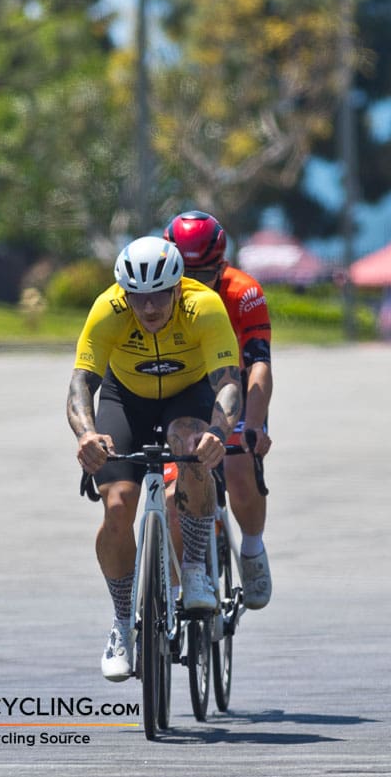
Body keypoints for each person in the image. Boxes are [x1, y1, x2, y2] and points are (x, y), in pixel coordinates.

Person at [66, 235, 242, 682]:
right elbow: (80, 384)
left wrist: (218, 434)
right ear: (125, 293)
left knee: (191, 445)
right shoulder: (108, 309)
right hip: (126, 399)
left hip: (187, 394)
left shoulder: (204, 307)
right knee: (119, 504)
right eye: (139, 297)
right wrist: (87, 435)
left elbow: (228, 382)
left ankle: (197, 569)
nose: (149, 309)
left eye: (160, 296)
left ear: (178, 288)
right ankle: (122, 623)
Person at [163, 210, 275, 610]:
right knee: (174, 492)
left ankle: (253, 547)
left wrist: (255, 426)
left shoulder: (244, 292)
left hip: (233, 388)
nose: (193, 286)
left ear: (223, 266)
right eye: (184, 275)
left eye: (205, 274)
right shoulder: (155, 293)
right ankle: (174, 590)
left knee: (240, 466)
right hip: (179, 391)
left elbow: (258, 363)